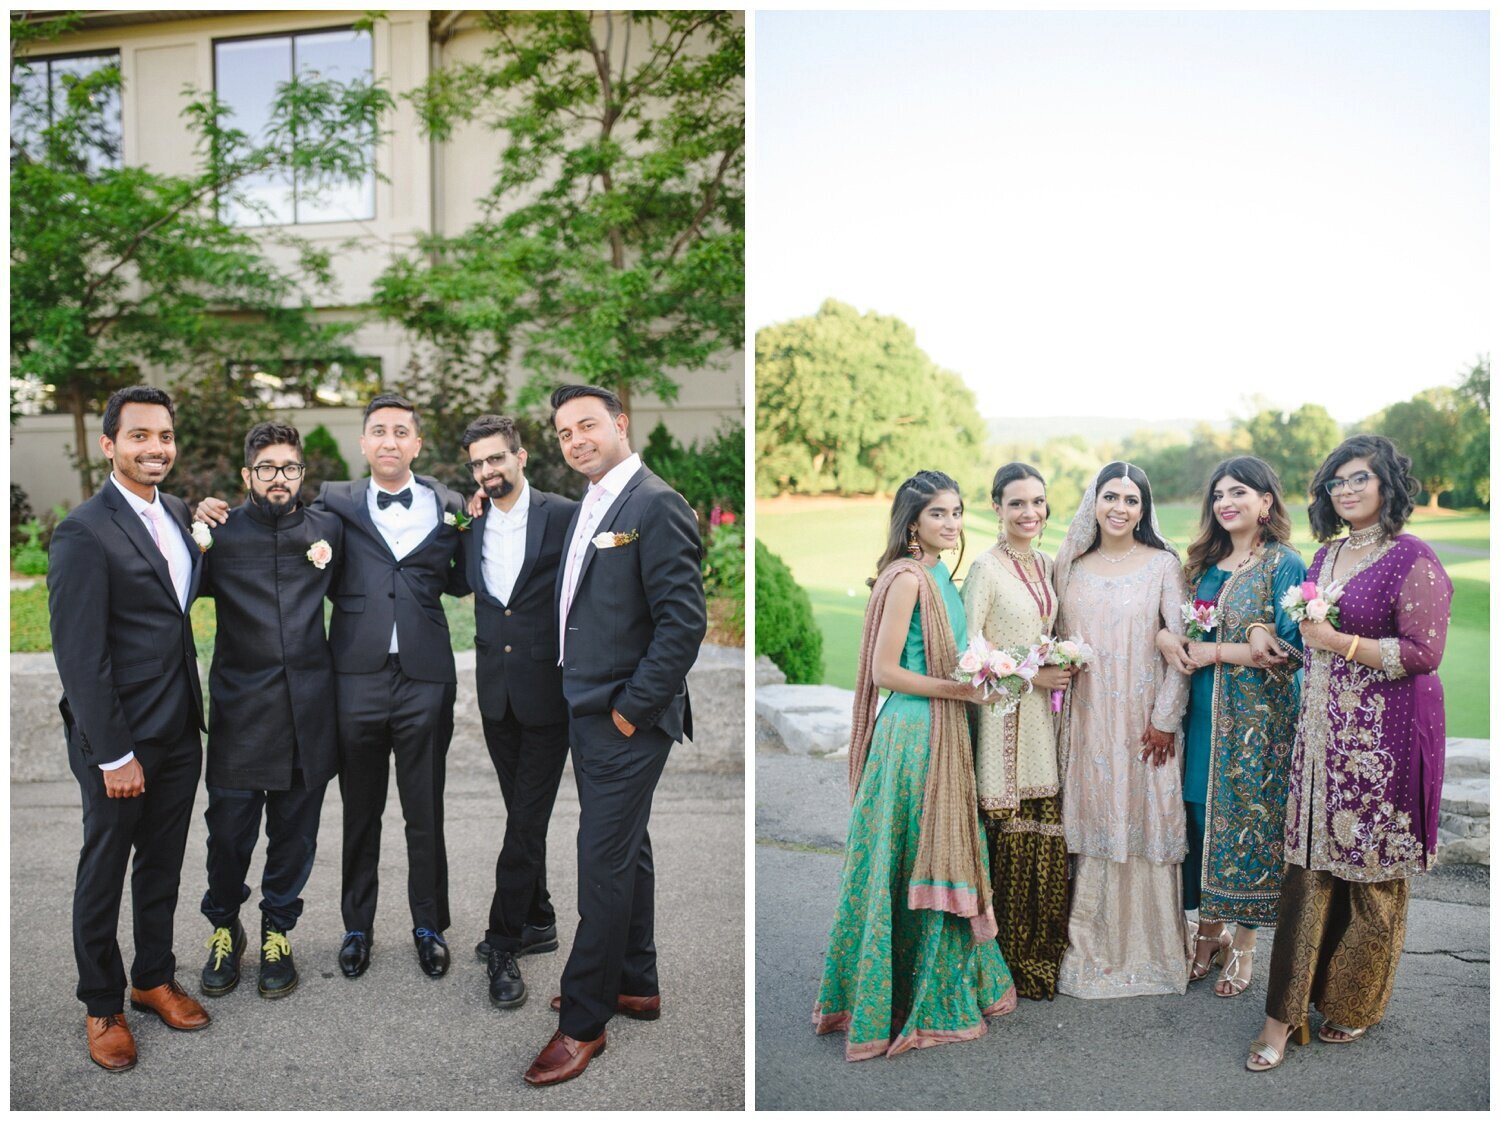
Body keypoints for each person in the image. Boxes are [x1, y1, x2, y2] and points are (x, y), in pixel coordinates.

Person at [198, 393, 469, 980]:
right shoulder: (318, 511)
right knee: (348, 815)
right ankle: (344, 927)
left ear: (417, 444)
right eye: (379, 431)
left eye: (402, 431)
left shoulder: (440, 506)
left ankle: (422, 926)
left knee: (420, 812)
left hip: (404, 683)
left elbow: (467, 575)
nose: (390, 441)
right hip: (320, 690)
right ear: (363, 443)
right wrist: (201, 513)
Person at [1247, 435, 1451, 1071]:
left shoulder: (1412, 558)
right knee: (1307, 874)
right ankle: (1284, 1011)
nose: (1346, 490)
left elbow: (1423, 654)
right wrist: (1265, 631)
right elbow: (1307, 640)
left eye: (1359, 478)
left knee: (1373, 879)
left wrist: (1340, 641)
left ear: (1386, 484)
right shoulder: (1326, 554)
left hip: (1383, 741)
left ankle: (1354, 1002)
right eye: (1336, 482)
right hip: (1318, 737)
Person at [524, 384, 707, 1086]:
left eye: (588, 425)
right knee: (627, 850)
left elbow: (683, 623)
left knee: (599, 862)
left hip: (623, 718)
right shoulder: (593, 502)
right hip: (588, 709)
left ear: (620, 423)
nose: (575, 439)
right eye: (565, 431)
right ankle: (637, 980)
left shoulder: (654, 502)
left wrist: (630, 710)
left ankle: (584, 1020)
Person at [814, 470, 1015, 1061]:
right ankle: (894, 999)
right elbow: (885, 673)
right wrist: (963, 691)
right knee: (905, 857)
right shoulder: (906, 580)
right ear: (911, 523)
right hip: (911, 735)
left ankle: (927, 983)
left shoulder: (938, 575)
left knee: (932, 853)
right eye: (938, 515)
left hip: (942, 729)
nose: (951, 524)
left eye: (956, 513)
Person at [49, 385, 212, 1072]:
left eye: (165, 436)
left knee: (164, 864)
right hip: (117, 737)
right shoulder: (83, 530)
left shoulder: (175, 511)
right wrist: (114, 752)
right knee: (104, 868)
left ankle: (151, 976)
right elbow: (79, 654)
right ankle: (101, 1002)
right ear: (110, 443)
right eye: (140, 435)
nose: (156, 447)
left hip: (178, 726)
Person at [195, 422, 344, 1001]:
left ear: (301, 474)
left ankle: (278, 927)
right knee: (228, 835)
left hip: (309, 711)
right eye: (266, 468)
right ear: (246, 475)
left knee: (295, 835)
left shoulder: (328, 528)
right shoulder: (218, 533)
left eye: (288, 468)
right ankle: (224, 926)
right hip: (241, 712)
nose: (277, 478)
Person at [1158, 456, 1305, 999]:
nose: (1226, 502)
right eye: (1218, 493)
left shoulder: (1284, 564)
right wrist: (1166, 641)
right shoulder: (1201, 565)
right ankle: (1208, 932)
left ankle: (1243, 943)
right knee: (1201, 823)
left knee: (1251, 828)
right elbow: (1172, 627)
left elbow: (1292, 649)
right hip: (1200, 715)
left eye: (1239, 491)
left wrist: (1215, 650)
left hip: (1258, 725)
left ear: (1266, 502)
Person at [1052, 461, 1190, 999]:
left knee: (1143, 818)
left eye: (1132, 500)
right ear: (1094, 500)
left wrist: (1163, 720)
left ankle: (1153, 954)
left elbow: (1179, 647)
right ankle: (1087, 948)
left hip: (1144, 728)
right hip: (1085, 723)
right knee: (1092, 820)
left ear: (1143, 510)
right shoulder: (1070, 566)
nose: (1120, 508)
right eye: (1111, 496)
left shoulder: (1162, 565)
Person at [457, 415, 578, 1010]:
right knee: (519, 815)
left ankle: (504, 943)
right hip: (495, 695)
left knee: (524, 822)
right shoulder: (469, 523)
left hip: (548, 694)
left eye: (496, 459)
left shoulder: (563, 514)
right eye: (479, 463)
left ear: (521, 456)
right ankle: (540, 917)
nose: (488, 470)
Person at [960, 462, 1074, 1001]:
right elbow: (967, 657)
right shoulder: (985, 569)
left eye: (1037, 502)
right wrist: (1033, 674)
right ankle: (1000, 963)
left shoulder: (1047, 564)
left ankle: (1038, 957)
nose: (1030, 513)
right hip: (1002, 723)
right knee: (1009, 837)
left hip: (1041, 726)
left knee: (1043, 833)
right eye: (1017, 504)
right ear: (996, 508)